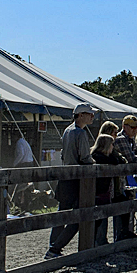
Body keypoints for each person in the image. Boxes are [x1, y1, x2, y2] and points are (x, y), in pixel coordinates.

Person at [45, 104, 97, 259]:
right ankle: (56, 247)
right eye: (89, 114)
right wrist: (93, 164)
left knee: (62, 214)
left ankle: (53, 245)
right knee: (79, 216)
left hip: (65, 177)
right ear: (80, 115)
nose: (91, 117)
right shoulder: (80, 133)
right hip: (76, 179)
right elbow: (84, 157)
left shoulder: (67, 130)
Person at [90, 134, 133, 242]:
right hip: (98, 193)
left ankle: (124, 231)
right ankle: (91, 240)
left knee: (125, 203)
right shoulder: (97, 157)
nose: (113, 147)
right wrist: (114, 157)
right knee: (97, 219)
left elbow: (122, 161)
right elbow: (114, 161)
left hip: (108, 192)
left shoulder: (108, 156)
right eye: (111, 145)